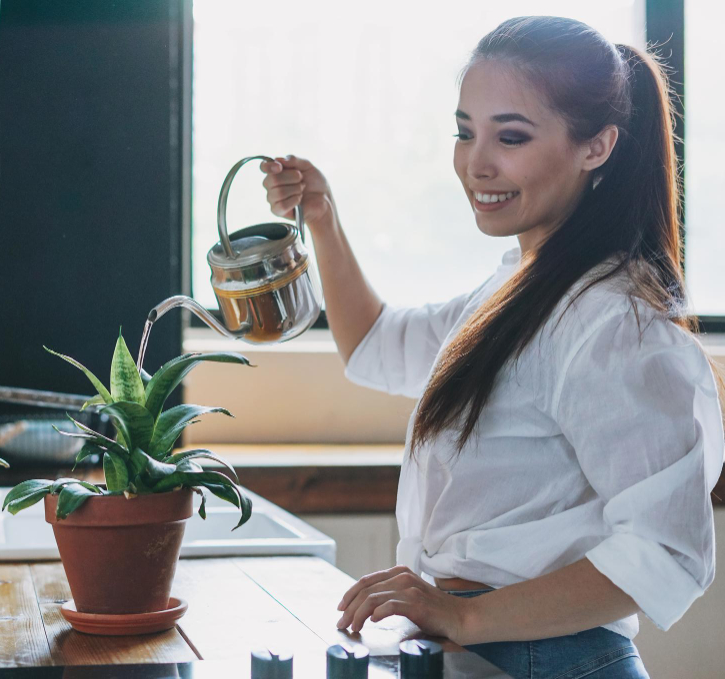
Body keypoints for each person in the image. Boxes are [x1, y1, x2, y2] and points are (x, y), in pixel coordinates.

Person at [260, 15, 723, 679]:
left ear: (596, 146)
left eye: (511, 136)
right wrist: (322, 218)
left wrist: (467, 614)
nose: (476, 163)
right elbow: (377, 345)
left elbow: (668, 550)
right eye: (465, 131)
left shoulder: (614, 323)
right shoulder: (521, 286)